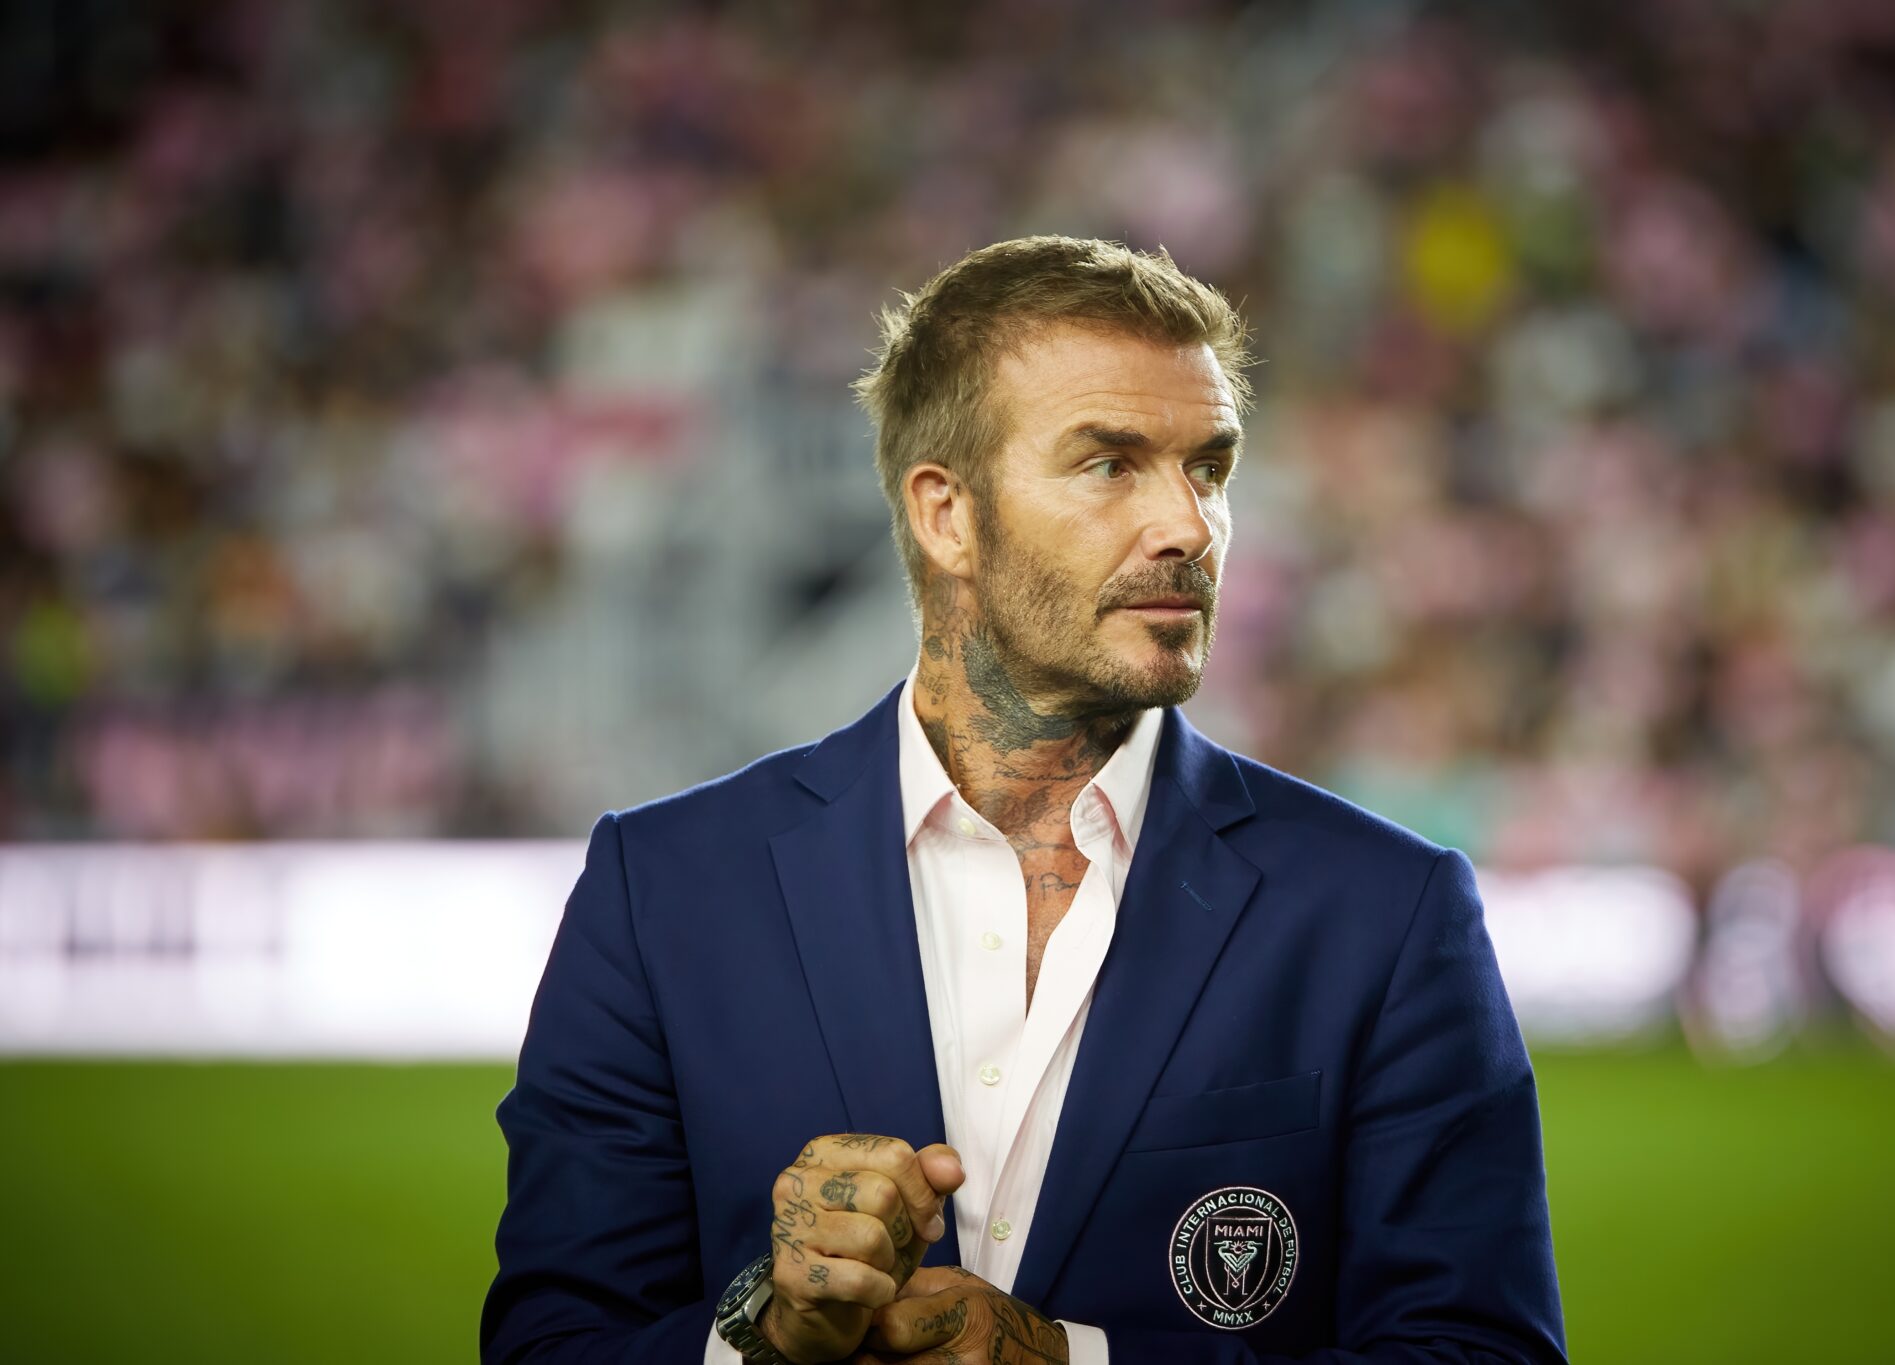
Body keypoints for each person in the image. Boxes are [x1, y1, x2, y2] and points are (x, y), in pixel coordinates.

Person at [482, 236, 1568, 1364]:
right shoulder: (662, 893)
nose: (1188, 527)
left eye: (1207, 467)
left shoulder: (1382, 912)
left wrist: (1069, 1363)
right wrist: (761, 1334)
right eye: (1108, 464)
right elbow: (550, 1344)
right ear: (945, 514)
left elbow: (1481, 1353)